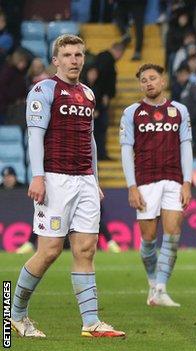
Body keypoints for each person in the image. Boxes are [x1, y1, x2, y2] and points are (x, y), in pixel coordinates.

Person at [10, 34, 125, 338]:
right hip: (55, 178)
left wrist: (96, 180)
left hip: (85, 179)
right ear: (56, 60)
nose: (74, 60)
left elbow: (90, 140)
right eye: (68, 55)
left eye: (79, 55)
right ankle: (15, 314)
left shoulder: (87, 93)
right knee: (48, 251)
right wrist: (37, 176)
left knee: (86, 249)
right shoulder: (45, 89)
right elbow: (34, 135)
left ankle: (91, 323)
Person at [120, 63, 193, 307]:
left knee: (173, 235)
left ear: (163, 81)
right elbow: (126, 149)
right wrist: (131, 186)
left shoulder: (179, 110)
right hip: (145, 181)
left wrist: (187, 181)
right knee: (149, 240)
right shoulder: (132, 112)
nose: (148, 83)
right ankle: (152, 283)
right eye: (144, 80)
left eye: (153, 78)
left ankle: (161, 289)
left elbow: (186, 146)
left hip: (173, 179)